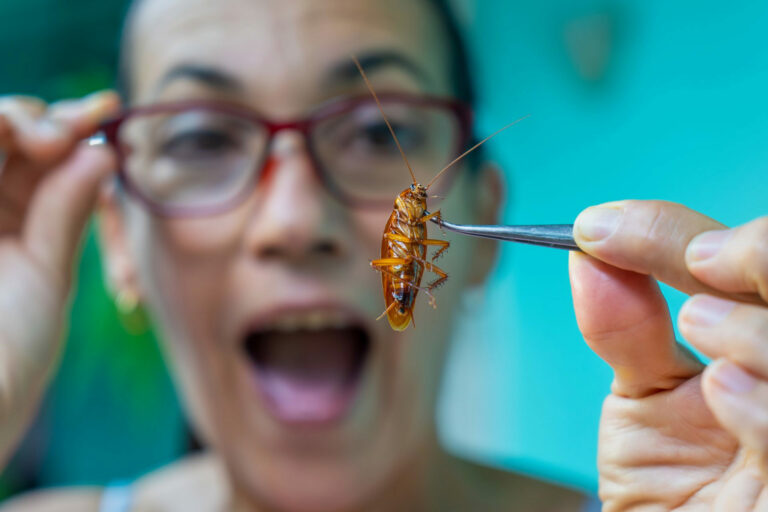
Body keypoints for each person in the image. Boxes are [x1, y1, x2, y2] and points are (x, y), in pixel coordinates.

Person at [0, 0, 766, 511]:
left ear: (485, 223)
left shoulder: (672, 497)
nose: (295, 220)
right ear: (119, 245)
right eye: (202, 138)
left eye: (374, 133)